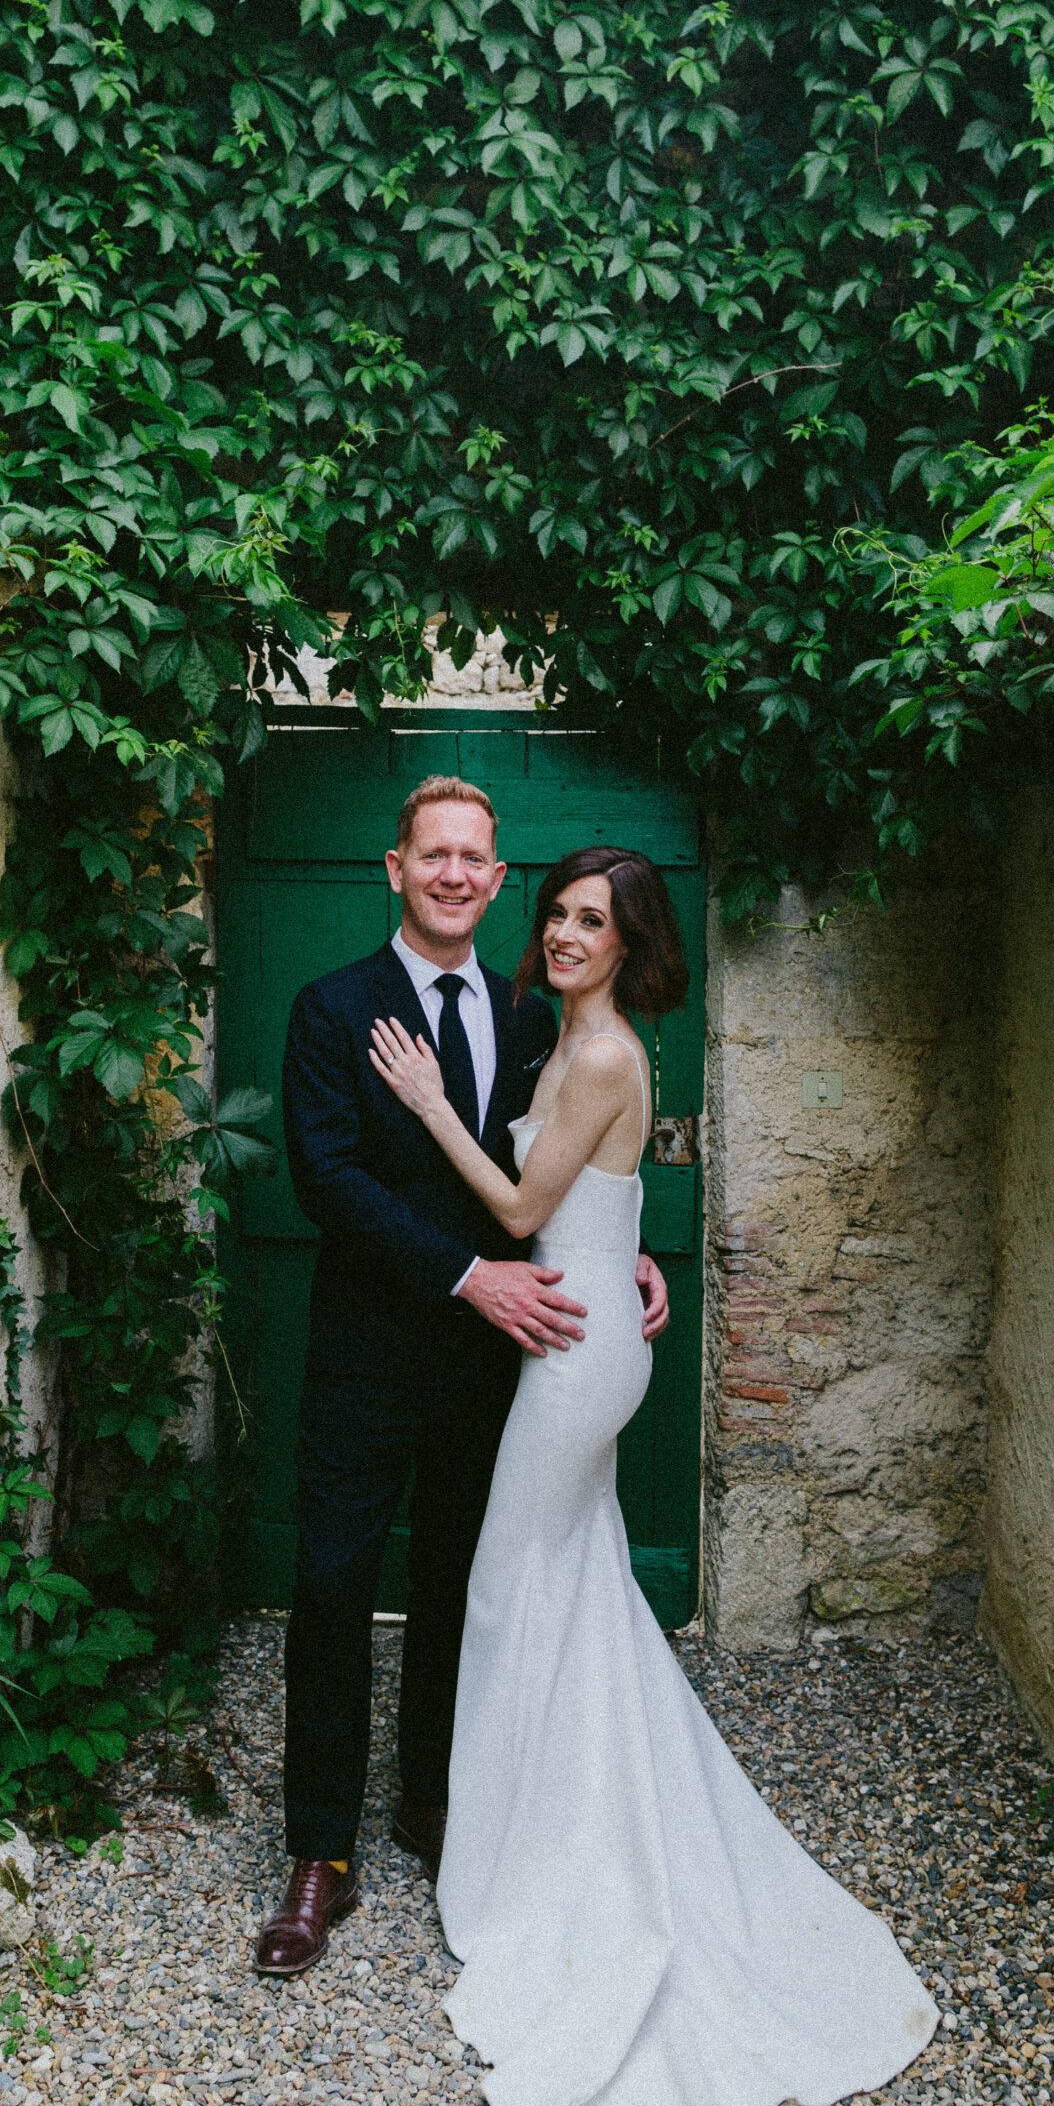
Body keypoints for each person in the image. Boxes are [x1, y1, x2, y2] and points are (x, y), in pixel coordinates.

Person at [367, 845, 939, 2106]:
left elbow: (522, 1200)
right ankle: (561, 1828)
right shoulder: (566, 1040)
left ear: (631, 943)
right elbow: (596, 1203)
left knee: (506, 1590)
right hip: (586, 1328)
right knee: (571, 1592)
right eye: (560, 914)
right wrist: (629, 1261)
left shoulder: (608, 1053)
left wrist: (428, 1102)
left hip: (574, 1360)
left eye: (595, 922)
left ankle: (529, 1866)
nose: (569, 935)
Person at [254, 779, 670, 1977]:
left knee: (460, 1583)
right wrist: (465, 1274)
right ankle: (319, 1851)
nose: (450, 874)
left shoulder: (537, 1013)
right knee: (333, 1584)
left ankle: (437, 1802)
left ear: (495, 881)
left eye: (471, 859)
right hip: (366, 1354)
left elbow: (571, 1168)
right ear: (396, 868)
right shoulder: (333, 1009)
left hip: (501, 1363)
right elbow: (328, 1180)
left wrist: (624, 1247)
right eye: (430, 853)